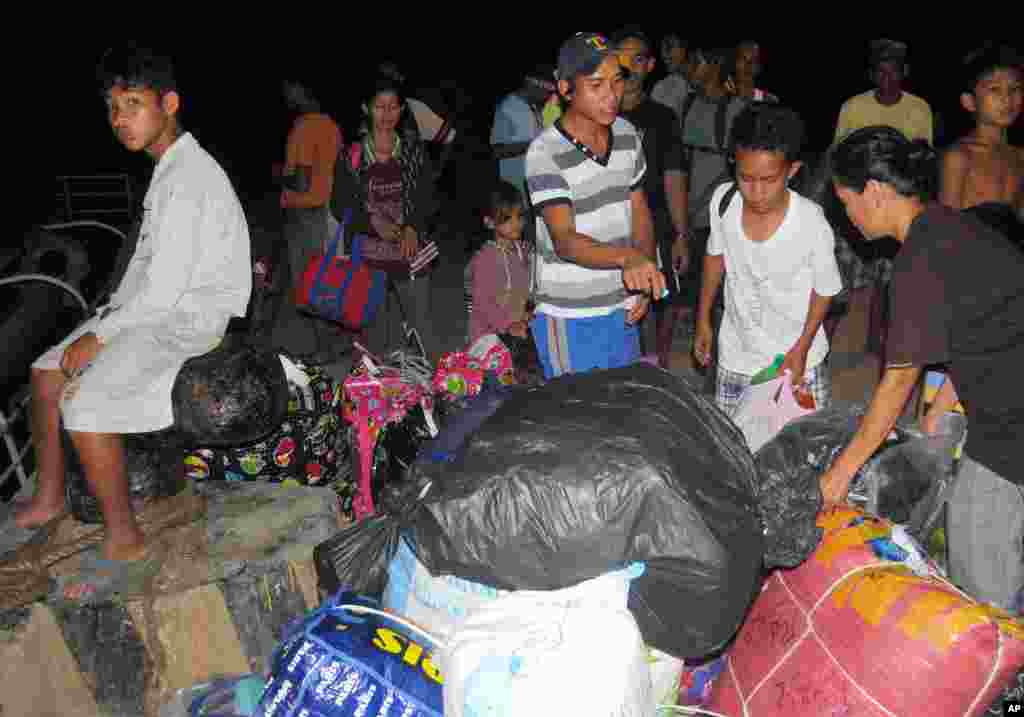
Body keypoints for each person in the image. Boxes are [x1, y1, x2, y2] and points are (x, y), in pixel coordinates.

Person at [16, 46, 252, 600]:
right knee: (46, 371)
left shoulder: (191, 177)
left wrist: (102, 337)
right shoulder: (167, 169)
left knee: (84, 404)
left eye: (133, 103)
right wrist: (105, 319)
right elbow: (144, 273)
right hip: (154, 307)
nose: (120, 118)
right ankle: (49, 497)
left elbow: (168, 289)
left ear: (168, 104)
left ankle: (125, 537)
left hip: (189, 318)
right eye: (113, 108)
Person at [820, 126, 1024, 614]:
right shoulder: (953, 228)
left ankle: (1004, 680)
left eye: (847, 203)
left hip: (1007, 432)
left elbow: (897, 381)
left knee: (981, 584)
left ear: (873, 192)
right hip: (1007, 403)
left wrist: (840, 473)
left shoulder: (919, 259)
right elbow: (988, 317)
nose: (848, 218)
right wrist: (944, 404)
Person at [525, 32, 665, 379]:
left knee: (619, 417)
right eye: (596, 85)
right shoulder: (545, 153)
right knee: (574, 424)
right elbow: (565, 239)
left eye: (617, 82)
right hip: (569, 314)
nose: (611, 95)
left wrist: (644, 273)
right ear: (565, 88)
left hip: (621, 308)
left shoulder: (628, 135)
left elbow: (639, 211)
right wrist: (627, 259)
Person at [693, 104, 842, 417]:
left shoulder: (810, 222)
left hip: (798, 360)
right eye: (746, 178)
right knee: (734, 446)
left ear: (792, 170)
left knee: (802, 452)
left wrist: (801, 348)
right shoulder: (724, 201)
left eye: (769, 180)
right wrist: (703, 318)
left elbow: (825, 289)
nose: (756, 192)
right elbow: (714, 257)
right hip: (738, 357)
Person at [331, 75, 439, 361]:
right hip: (368, 258)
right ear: (366, 109)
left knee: (421, 332)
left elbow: (428, 197)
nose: (387, 114)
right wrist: (372, 223)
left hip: (410, 254)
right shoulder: (352, 155)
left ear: (402, 110)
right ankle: (378, 399)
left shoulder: (414, 150)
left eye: (393, 107)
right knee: (374, 338)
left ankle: (425, 396)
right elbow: (340, 205)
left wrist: (415, 226)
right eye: (380, 106)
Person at [611, 27, 690, 369]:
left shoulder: (662, 118)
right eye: (622, 57)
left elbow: (674, 176)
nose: (629, 66)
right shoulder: (597, 114)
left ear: (650, 65)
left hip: (654, 221)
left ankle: (659, 367)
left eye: (638, 58)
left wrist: (681, 235)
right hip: (607, 227)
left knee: (663, 297)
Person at [275, 78, 344, 358]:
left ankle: (325, 350)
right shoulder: (331, 125)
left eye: (289, 89)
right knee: (325, 280)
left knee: (309, 284)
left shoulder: (303, 128)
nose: (286, 96)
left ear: (302, 90)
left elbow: (301, 179)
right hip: (327, 209)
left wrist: (281, 174)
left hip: (304, 211)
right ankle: (336, 342)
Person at [940, 44, 1023, 217]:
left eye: (1015, 89)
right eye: (995, 89)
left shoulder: (1020, 156)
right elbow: (945, 229)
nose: (1007, 99)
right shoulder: (960, 156)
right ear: (969, 102)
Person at [467, 181, 532, 344]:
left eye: (519, 216)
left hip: (514, 327)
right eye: (507, 218)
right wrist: (508, 325)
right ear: (489, 222)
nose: (516, 223)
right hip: (489, 336)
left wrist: (527, 312)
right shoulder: (485, 259)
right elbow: (483, 303)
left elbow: (523, 288)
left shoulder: (522, 250)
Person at [834, 40, 934, 145]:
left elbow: (924, 154)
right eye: (880, 71)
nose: (887, 77)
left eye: (894, 70)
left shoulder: (920, 108)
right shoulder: (851, 107)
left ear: (904, 71)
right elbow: (837, 152)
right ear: (871, 74)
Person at [491, 66, 560, 196]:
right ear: (532, 82)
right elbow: (497, 150)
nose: (547, 96)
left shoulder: (536, 109)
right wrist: (533, 144)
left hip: (538, 189)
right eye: (546, 90)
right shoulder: (508, 107)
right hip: (517, 191)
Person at [651, 33, 691, 117]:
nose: (664, 53)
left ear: (684, 48)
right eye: (662, 47)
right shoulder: (661, 88)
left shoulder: (703, 83)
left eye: (669, 46)